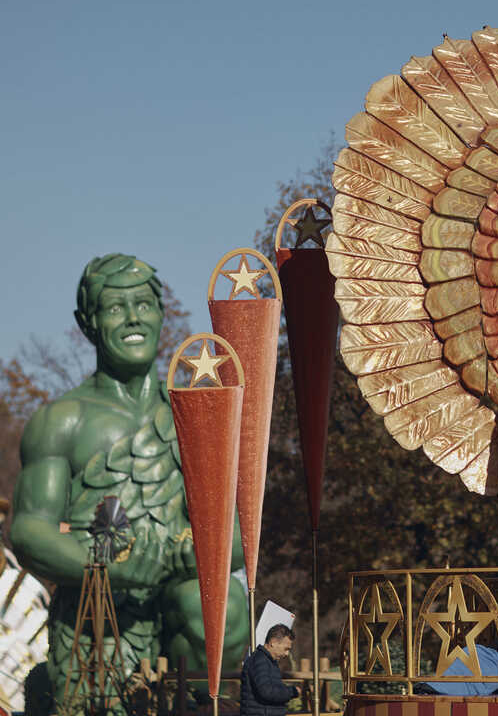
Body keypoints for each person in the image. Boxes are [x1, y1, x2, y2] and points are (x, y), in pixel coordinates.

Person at [9, 254, 248, 713]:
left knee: (224, 604)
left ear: (161, 314)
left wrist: (187, 555)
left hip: (179, 612)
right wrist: (107, 566)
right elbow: (30, 530)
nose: (134, 317)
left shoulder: (192, 418)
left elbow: (237, 537)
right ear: (88, 322)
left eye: (143, 304)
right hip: (93, 615)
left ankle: (199, 703)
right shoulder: (61, 422)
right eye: (116, 308)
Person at [241, 624, 300, 716]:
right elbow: (267, 692)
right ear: (273, 642)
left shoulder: (268, 661)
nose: (287, 654)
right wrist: (292, 691)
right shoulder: (260, 660)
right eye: (286, 649)